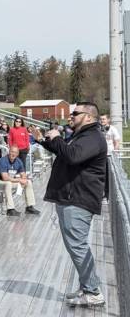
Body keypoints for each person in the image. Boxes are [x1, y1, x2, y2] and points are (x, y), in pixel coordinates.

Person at [32, 102, 107, 307]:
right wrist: (43, 141)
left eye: (75, 113)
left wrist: (56, 137)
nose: (70, 116)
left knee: (77, 245)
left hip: (78, 198)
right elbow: (65, 152)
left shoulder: (93, 137)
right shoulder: (83, 136)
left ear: (89, 117)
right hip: (72, 197)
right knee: (76, 246)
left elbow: (72, 156)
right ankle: (87, 287)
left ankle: (93, 291)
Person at [0, 146, 40, 216]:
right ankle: (10, 209)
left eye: (15, 152)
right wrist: (19, 180)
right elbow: (5, 178)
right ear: (9, 152)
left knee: (28, 182)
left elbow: (23, 174)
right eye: (12, 152)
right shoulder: (2, 161)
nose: (13, 154)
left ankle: (29, 207)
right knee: (8, 183)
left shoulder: (18, 161)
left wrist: (23, 180)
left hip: (10, 182)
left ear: (17, 154)